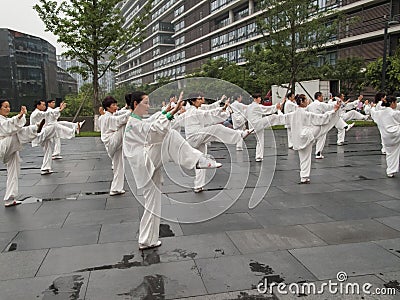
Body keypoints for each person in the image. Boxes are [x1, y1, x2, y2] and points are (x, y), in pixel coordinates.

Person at [123, 91, 222, 250]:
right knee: (170, 136)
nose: (148, 106)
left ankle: (147, 240)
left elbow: (151, 122)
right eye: (146, 103)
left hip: (145, 163)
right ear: (136, 104)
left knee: (152, 203)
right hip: (145, 162)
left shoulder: (135, 120)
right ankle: (197, 160)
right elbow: (153, 131)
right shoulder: (133, 123)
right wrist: (173, 112)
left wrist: (166, 111)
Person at [184, 93, 252, 192]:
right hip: (195, 137)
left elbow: (208, 109)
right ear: (193, 101)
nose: (202, 99)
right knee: (217, 128)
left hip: (197, 137)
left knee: (201, 161)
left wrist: (222, 107)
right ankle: (239, 135)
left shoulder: (196, 109)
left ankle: (198, 186)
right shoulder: (193, 111)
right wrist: (222, 109)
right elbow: (208, 114)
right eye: (199, 99)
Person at [279, 94, 340, 183]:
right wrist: (333, 111)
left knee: (303, 157)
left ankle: (304, 176)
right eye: (306, 100)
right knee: (322, 127)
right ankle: (304, 176)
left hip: (298, 138)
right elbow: (322, 118)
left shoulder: (293, 114)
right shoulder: (306, 114)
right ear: (302, 102)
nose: (307, 101)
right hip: (307, 136)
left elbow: (279, 118)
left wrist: (277, 110)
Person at [0, 100, 45, 207]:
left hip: (8, 146)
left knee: (14, 170)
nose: (8, 109)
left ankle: (10, 199)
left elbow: (11, 123)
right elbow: (7, 127)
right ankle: (35, 128)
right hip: (2, 145)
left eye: (9, 107)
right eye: (5, 107)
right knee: (18, 133)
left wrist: (19, 117)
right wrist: (19, 116)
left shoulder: (5, 119)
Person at [99, 96, 130, 196]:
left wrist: (128, 109)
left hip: (113, 141)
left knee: (119, 165)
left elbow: (119, 114)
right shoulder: (107, 117)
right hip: (111, 141)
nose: (116, 107)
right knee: (124, 124)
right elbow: (119, 119)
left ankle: (116, 188)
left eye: (116, 104)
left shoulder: (107, 116)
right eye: (113, 105)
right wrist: (133, 110)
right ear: (107, 107)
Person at [370, 95, 400, 177]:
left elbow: (373, 113)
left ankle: (390, 171)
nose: (396, 104)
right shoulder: (394, 113)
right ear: (392, 103)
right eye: (396, 102)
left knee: (390, 153)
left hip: (386, 137)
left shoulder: (379, 113)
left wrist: (372, 107)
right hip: (396, 133)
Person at [246, 93, 281, 162]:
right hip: (257, 124)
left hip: (253, 125)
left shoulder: (249, 106)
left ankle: (258, 156)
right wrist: (276, 107)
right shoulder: (256, 106)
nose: (260, 99)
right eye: (259, 98)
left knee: (260, 141)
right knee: (272, 117)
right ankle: (280, 115)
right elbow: (266, 109)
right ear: (255, 99)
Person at [30, 100, 60, 175]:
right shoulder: (36, 113)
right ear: (38, 105)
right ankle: (74, 127)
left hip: (42, 133)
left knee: (48, 149)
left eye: (44, 105)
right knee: (55, 126)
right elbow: (46, 114)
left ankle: (46, 168)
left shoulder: (39, 113)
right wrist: (59, 109)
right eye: (43, 105)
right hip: (39, 134)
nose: (44, 106)